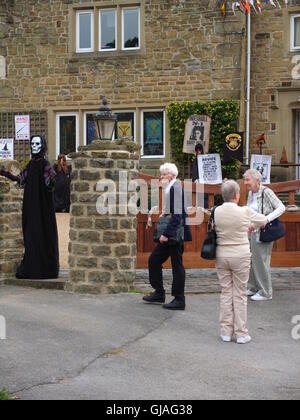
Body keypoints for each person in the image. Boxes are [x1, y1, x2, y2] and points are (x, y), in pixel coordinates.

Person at [214, 180, 268, 344]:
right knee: (239, 294)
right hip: (240, 255)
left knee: (225, 293)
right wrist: (250, 225)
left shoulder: (216, 211)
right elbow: (264, 220)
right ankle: (241, 333)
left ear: (223, 195)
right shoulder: (245, 211)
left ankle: (225, 332)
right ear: (237, 195)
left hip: (222, 254)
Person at [0, 135, 59, 279]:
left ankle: (45, 268)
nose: (34, 146)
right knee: (31, 235)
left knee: (42, 234)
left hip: (43, 208)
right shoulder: (30, 165)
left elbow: (51, 178)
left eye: (37, 144)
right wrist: (4, 173)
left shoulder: (45, 164)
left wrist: (49, 181)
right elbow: (20, 178)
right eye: (32, 144)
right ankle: (32, 267)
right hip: (31, 207)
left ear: (42, 145)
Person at [143, 163, 192, 310]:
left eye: (163, 174)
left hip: (175, 234)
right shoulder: (171, 188)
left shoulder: (175, 188)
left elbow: (177, 216)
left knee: (177, 266)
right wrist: (165, 212)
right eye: (161, 174)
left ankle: (179, 299)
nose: (161, 177)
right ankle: (159, 293)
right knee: (154, 260)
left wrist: (165, 234)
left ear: (171, 175)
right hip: (172, 233)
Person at [244, 169, 286, 301]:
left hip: (263, 231)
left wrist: (266, 219)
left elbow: (281, 207)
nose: (245, 183)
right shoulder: (251, 193)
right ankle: (253, 287)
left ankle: (265, 292)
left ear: (257, 180)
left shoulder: (266, 191)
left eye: (247, 180)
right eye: (245, 180)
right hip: (253, 231)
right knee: (251, 261)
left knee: (261, 261)